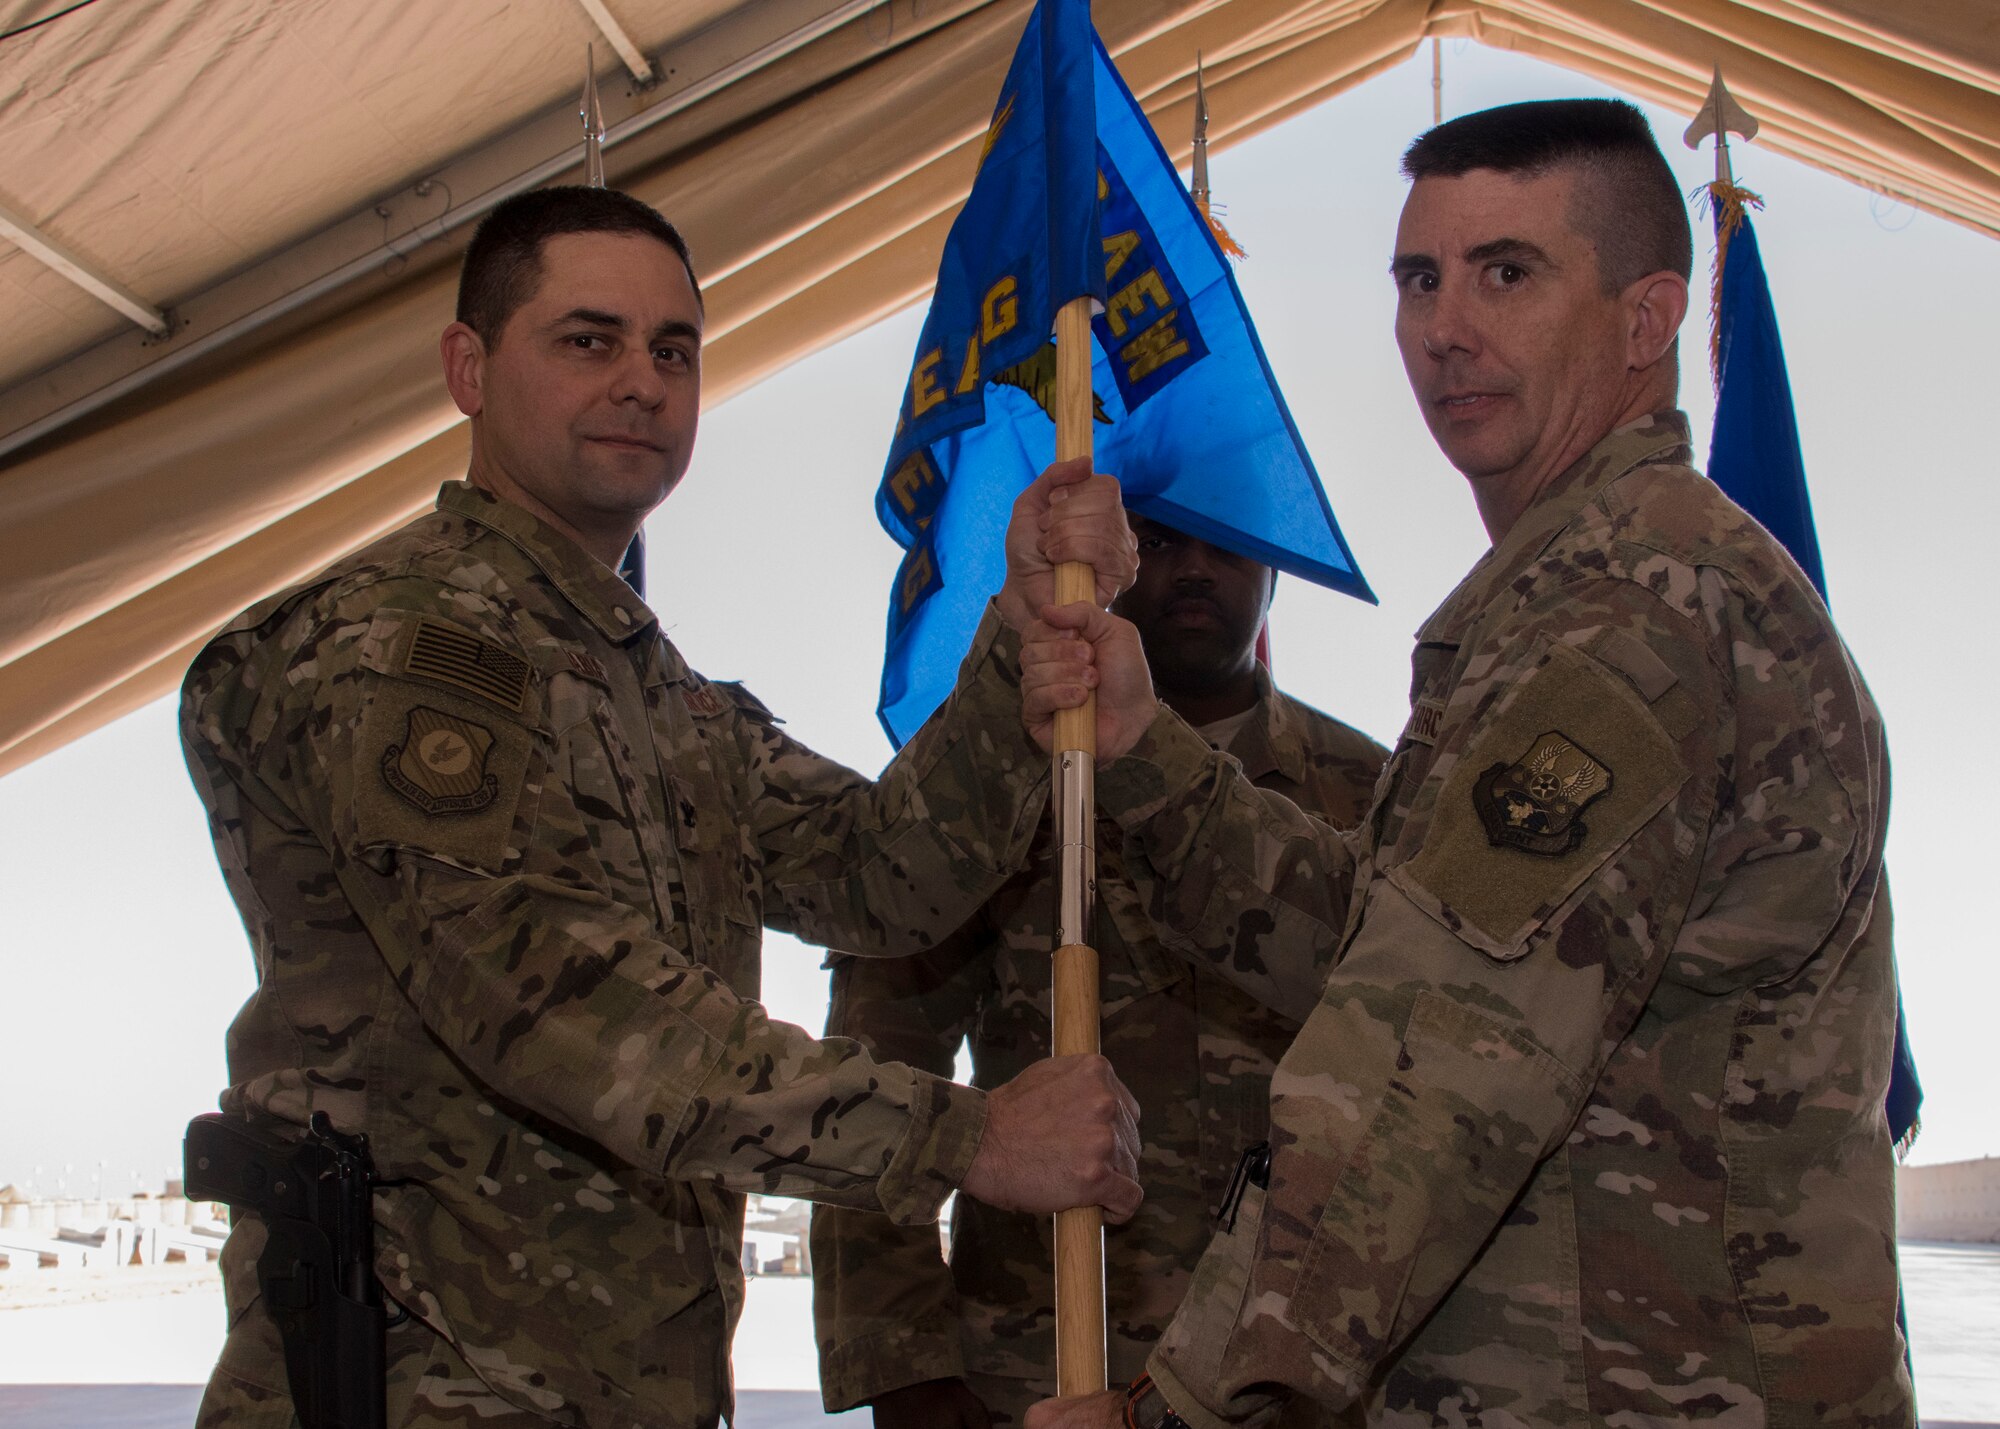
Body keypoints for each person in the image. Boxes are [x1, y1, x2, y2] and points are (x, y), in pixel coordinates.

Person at [180, 186, 1146, 1429]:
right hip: (415, 1391)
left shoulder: (656, 694)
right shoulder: (406, 650)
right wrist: (961, 1139)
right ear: (468, 368)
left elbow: (879, 873)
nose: (641, 380)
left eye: (672, 350)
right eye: (589, 340)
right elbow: (555, 998)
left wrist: (1016, 640)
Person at [1015, 100, 1912, 1427]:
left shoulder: (1637, 609)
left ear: (1647, 319)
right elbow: (1393, 951)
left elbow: (1427, 1064)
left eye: (1508, 272)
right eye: (1418, 279)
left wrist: (1178, 1412)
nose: (1445, 327)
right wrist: (1149, 750)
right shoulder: (1561, 592)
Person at [810, 516, 1388, 1429]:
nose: (1196, 567)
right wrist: (901, 1358)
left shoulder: (1368, 791)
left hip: (1297, 1380)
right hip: (1040, 1373)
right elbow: (881, 1056)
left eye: (1228, 540)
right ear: (1110, 566)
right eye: (1160, 541)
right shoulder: (996, 781)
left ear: (1276, 569)